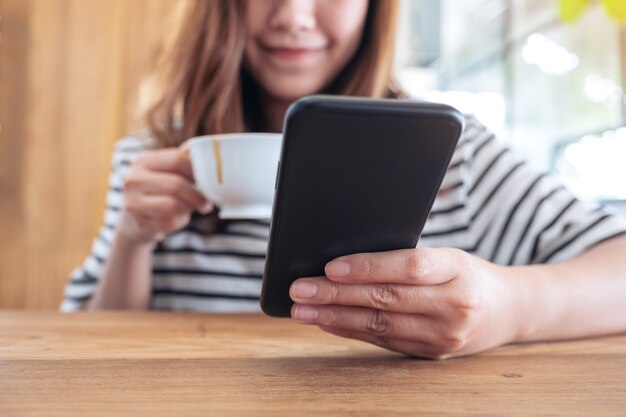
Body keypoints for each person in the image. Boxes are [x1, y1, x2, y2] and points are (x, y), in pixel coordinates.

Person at [61, 0, 626, 360]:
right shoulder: (154, 157)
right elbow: (89, 340)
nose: (293, 15)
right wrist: (134, 239)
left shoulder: (453, 152)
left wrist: (507, 307)